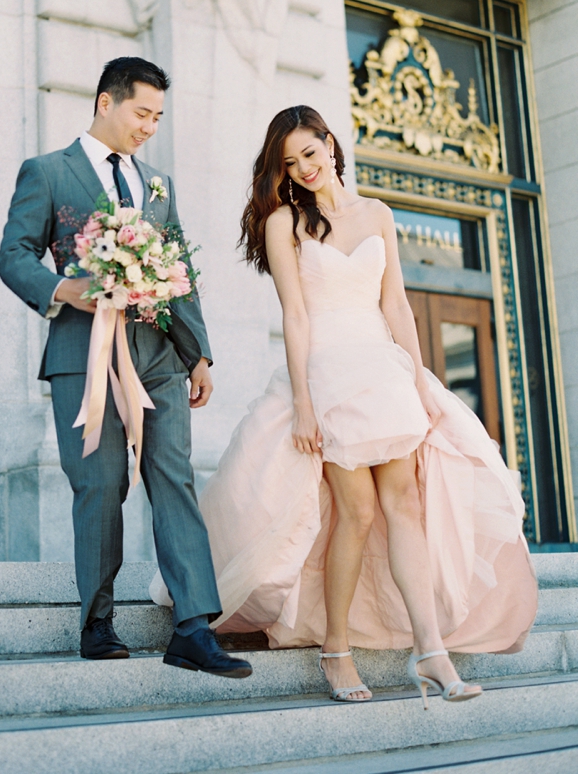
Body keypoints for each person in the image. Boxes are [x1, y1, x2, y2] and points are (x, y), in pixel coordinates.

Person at [165, 104, 537, 705]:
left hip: (384, 370)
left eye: (311, 153)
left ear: (331, 144)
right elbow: (295, 315)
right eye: (291, 163)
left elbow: (396, 306)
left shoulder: (379, 214)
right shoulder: (284, 223)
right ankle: (335, 648)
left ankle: (431, 651)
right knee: (356, 511)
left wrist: (419, 381)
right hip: (329, 372)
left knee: (407, 504)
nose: (306, 168)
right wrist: (305, 403)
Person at [0, 57, 251, 679]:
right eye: (142, 113)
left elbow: (179, 271)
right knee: (101, 486)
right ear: (106, 103)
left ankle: (193, 627)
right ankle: (97, 620)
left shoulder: (158, 183)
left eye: (158, 118)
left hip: (158, 355)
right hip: (83, 356)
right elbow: (13, 254)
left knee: (175, 479)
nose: (149, 128)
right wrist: (63, 289)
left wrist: (200, 353)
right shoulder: (48, 171)